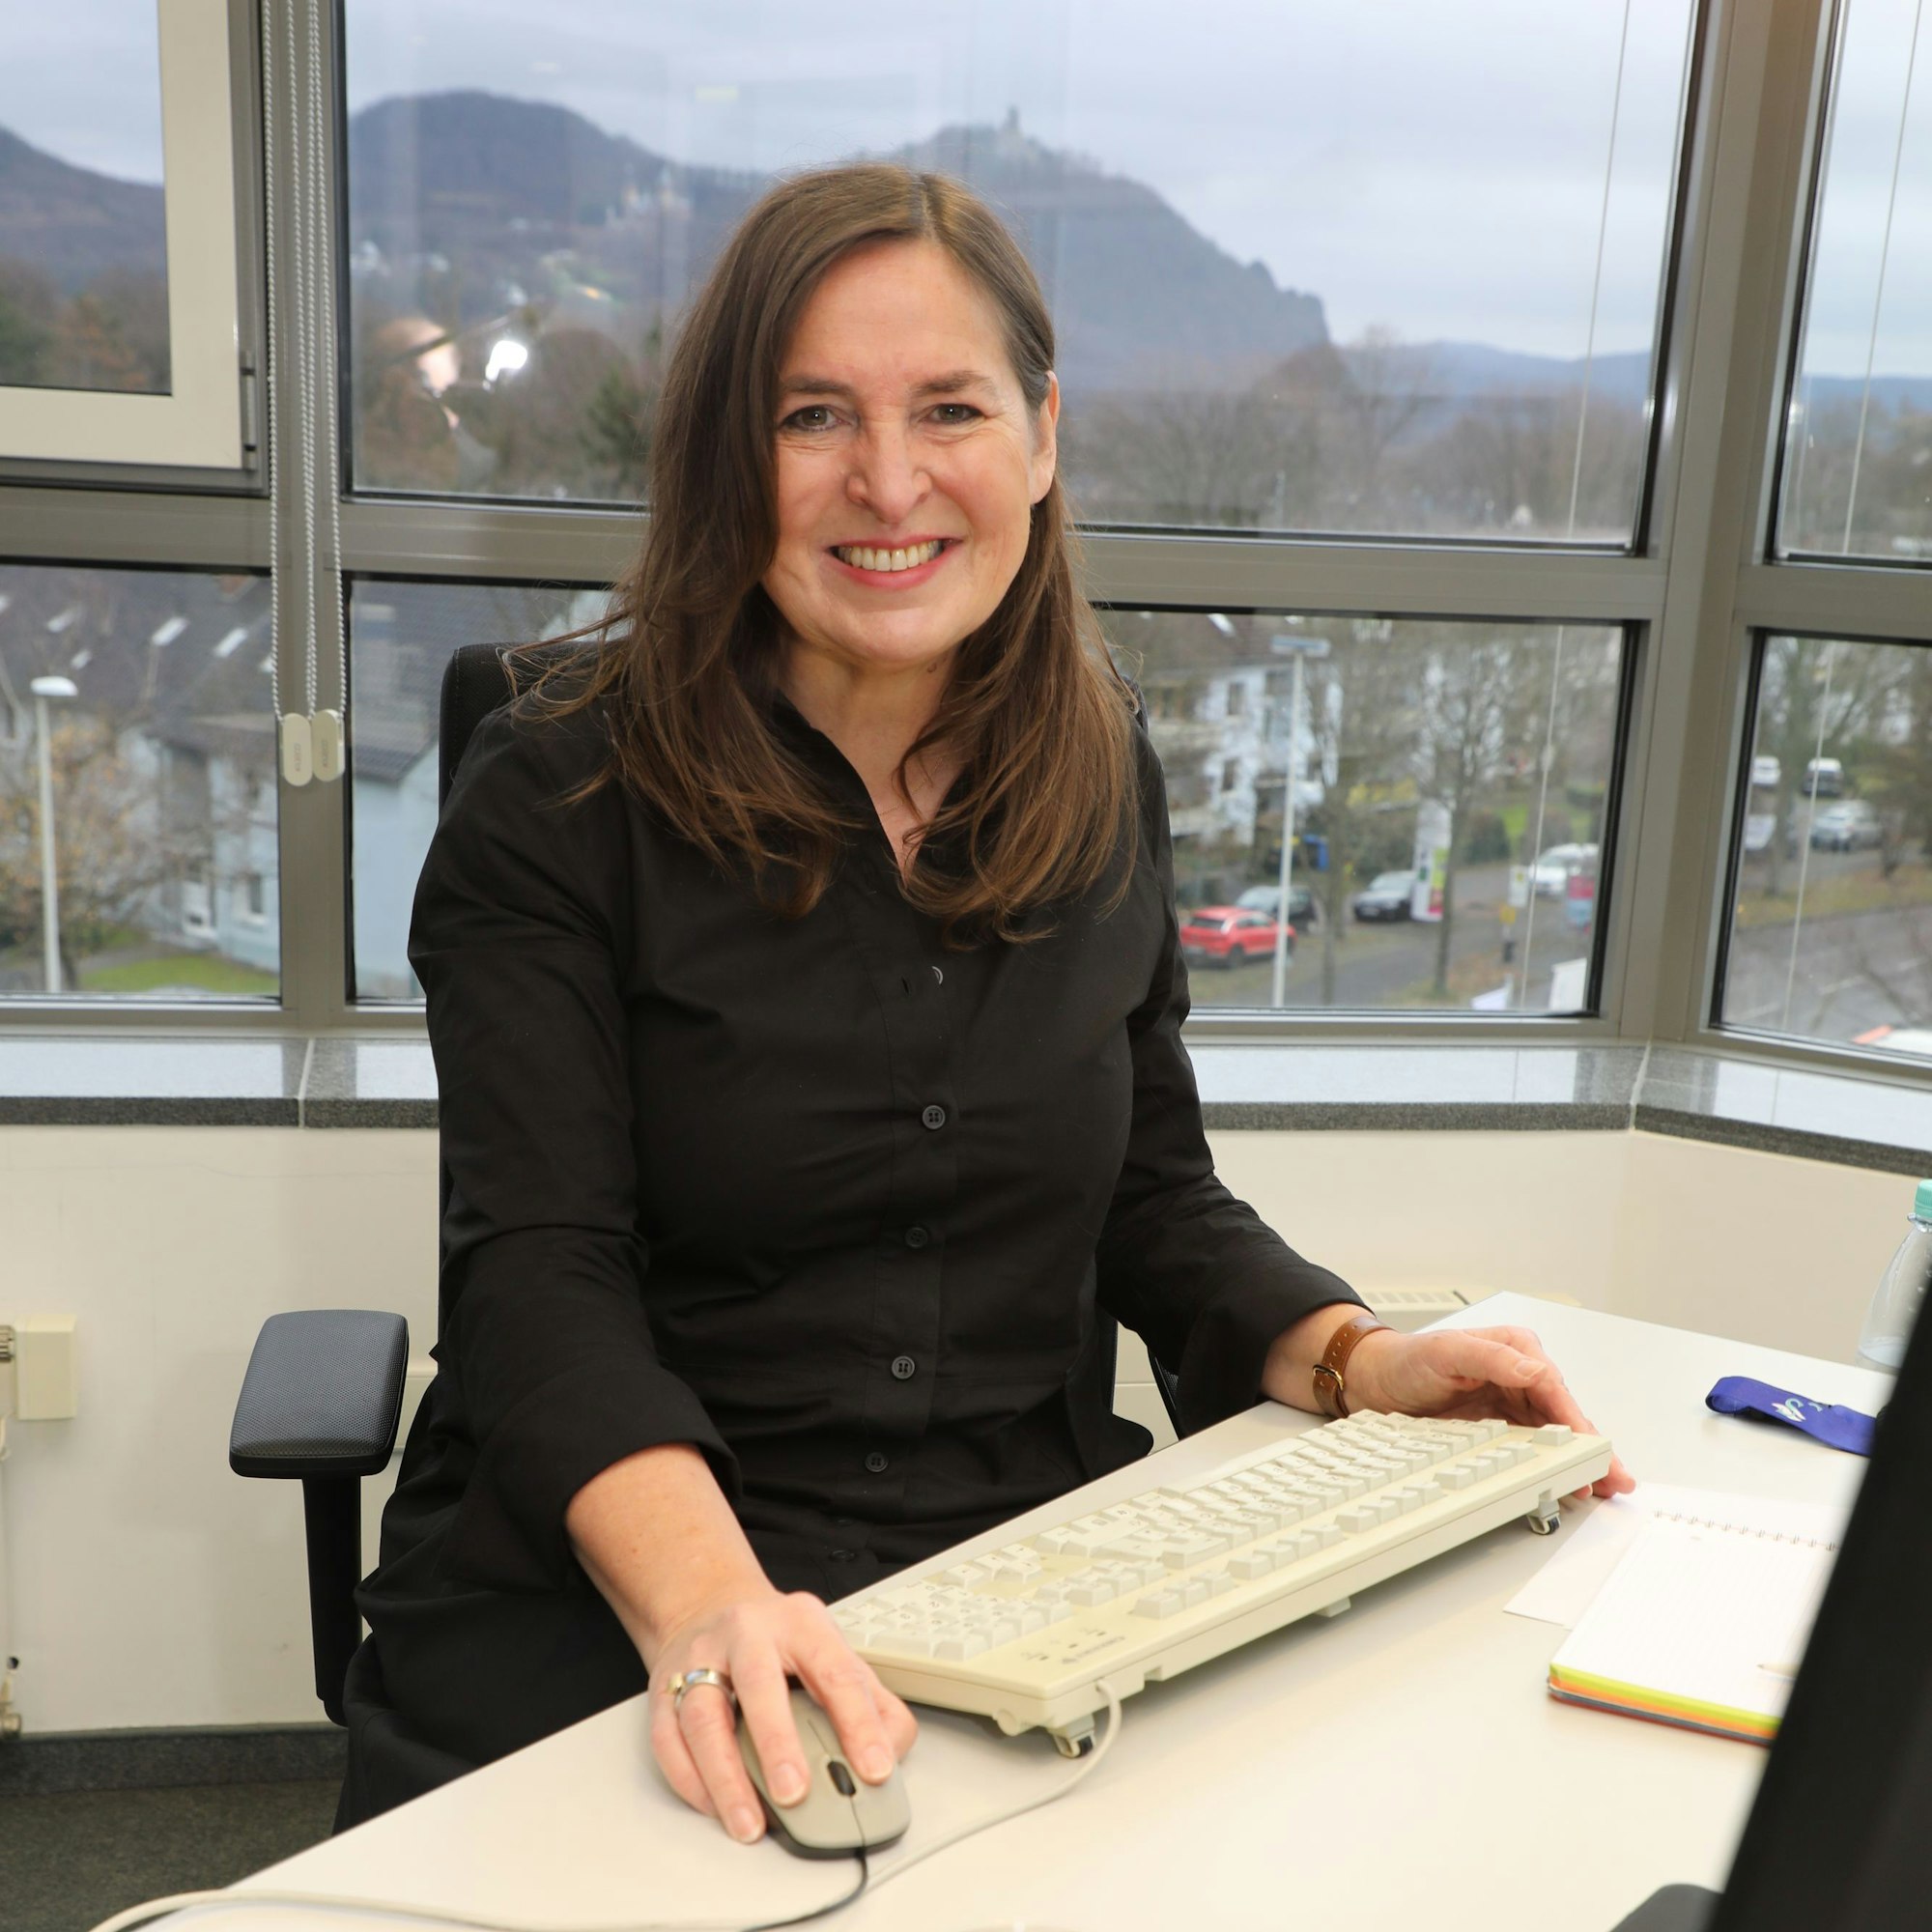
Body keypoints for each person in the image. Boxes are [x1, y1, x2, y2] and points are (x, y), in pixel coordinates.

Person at [341, 163, 1633, 1839]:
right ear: (732, 454)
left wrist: (1355, 1355)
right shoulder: (557, 789)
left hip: (1020, 1574)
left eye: (948, 408)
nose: (889, 482)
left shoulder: (1101, 764)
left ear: (1040, 437)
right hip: (625, 1595)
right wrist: (713, 1611)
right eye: (814, 414)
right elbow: (537, 1271)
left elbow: (1154, 1203)